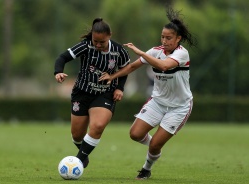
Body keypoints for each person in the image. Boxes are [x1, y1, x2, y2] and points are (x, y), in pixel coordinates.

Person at [99, 7, 197, 180]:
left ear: (178, 38)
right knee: (135, 134)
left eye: (169, 38)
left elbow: (164, 65)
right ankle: (154, 146)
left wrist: (142, 53)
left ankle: (146, 168)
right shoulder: (155, 51)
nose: (165, 41)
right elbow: (132, 66)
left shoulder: (182, 53)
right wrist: (112, 76)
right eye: (163, 37)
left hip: (179, 107)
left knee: (155, 146)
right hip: (158, 102)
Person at [54, 18, 130, 169]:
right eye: (96, 41)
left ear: (110, 35)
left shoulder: (118, 50)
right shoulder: (86, 46)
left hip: (105, 94)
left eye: (102, 42)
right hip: (82, 93)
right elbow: (62, 57)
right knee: (77, 135)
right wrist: (58, 72)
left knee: (97, 125)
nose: (98, 45)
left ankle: (78, 161)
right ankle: (84, 156)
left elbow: (125, 69)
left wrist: (119, 88)